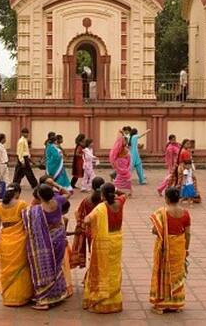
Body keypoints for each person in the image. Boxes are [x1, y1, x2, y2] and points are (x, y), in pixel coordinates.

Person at [22, 184, 69, 310]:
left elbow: (27, 220)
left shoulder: (37, 210)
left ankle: (45, 300)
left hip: (47, 240)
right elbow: (68, 193)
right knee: (57, 266)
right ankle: (58, 294)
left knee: (46, 267)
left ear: (39, 196)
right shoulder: (58, 200)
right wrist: (55, 185)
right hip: (59, 235)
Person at [82, 182, 125, 314]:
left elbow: (87, 220)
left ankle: (102, 299)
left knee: (103, 270)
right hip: (117, 240)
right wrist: (114, 190)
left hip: (104, 243)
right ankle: (114, 300)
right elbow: (123, 194)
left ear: (103, 195)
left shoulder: (101, 207)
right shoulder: (120, 202)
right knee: (113, 269)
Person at [149, 187, 190, 314]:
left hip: (164, 249)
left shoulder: (162, 213)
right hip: (179, 247)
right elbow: (188, 234)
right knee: (177, 274)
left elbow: (155, 230)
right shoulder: (185, 213)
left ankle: (161, 305)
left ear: (167, 198)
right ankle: (176, 304)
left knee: (163, 274)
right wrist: (186, 248)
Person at [70, 176, 105, 268]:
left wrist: (81, 227)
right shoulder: (105, 201)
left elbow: (79, 214)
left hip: (90, 232)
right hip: (104, 230)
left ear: (92, 187)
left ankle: (92, 273)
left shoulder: (86, 201)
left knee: (92, 253)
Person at [110, 131, 132, 196]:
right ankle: (115, 189)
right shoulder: (118, 148)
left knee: (127, 177)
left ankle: (129, 191)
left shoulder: (124, 149)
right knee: (120, 177)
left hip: (123, 165)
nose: (126, 142)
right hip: (120, 165)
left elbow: (128, 159)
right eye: (125, 141)